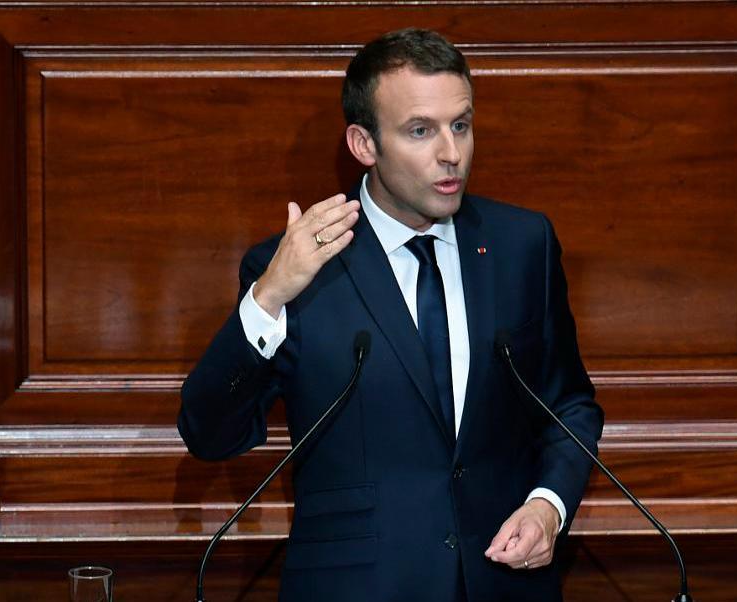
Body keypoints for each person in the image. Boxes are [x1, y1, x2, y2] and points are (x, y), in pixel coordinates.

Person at [179, 28, 604, 602]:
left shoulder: (522, 244)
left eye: (461, 125)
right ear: (364, 144)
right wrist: (268, 297)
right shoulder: (300, 268)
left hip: (503, 583)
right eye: (420, 131)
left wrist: (548, 505)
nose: (451, 153)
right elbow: (210, 434)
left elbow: (568, 403)